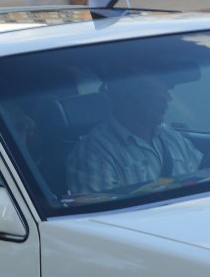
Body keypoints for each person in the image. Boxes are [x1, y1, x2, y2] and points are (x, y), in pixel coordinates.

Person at [64, 74, 202, 197]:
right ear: (126, 97)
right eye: (156, 91)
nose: (167, 98)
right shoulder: (93, 153)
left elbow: (204, 176)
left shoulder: (172, 137)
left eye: (165, 89)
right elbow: (103, 216)